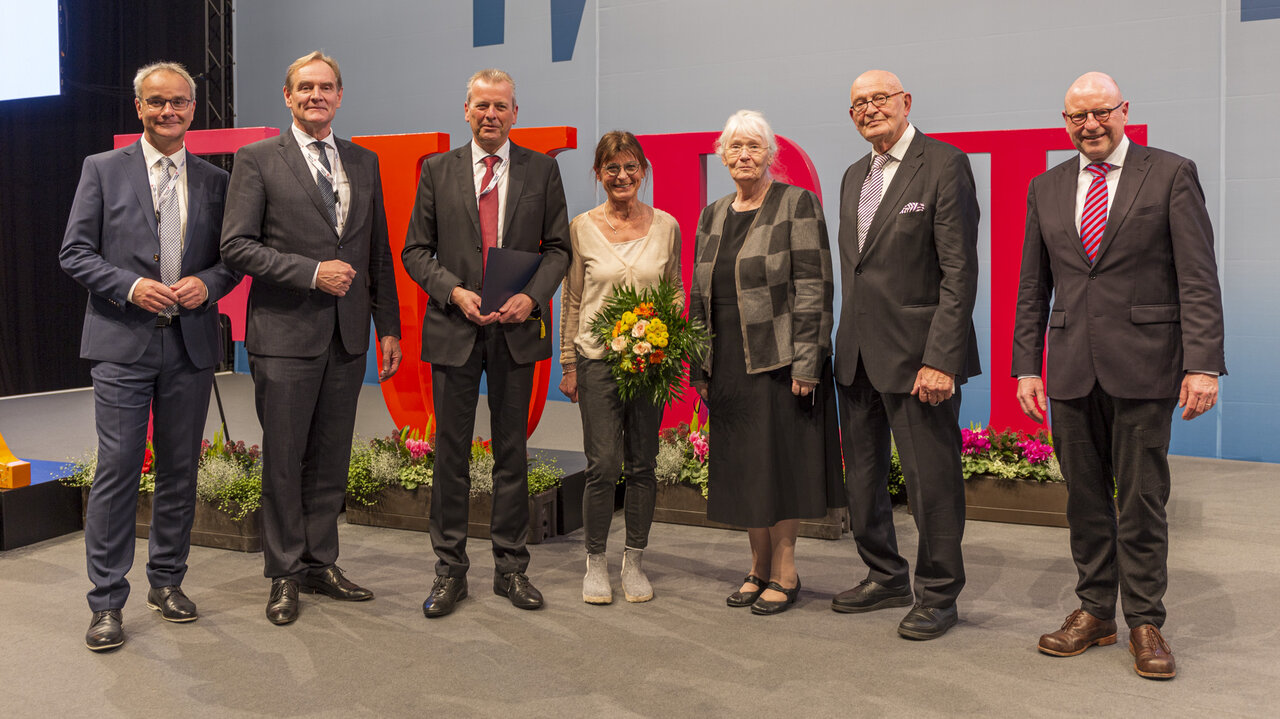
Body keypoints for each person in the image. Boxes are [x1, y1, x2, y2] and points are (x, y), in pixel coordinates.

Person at [1013, 72, 1226, 679]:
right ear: (1065, 122)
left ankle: (1145, 620)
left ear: (1123, 110)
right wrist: (1027, 366)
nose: (1090, 126)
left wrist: (1203, 363)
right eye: (1077, 117)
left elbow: (1198, 277)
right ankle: (1094, 611)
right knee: (1083, 499)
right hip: (1071, 368)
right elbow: (1034, 287)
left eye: (1100, 113)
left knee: (1141, 499)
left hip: (1147, 366)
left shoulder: (1170, 173)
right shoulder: (1045, 187)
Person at [60, 61, 240, 651]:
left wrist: (208, 285)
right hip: (121, 342)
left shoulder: (216, 180)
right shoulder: (102, 170)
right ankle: (106, 602)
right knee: (117, 470)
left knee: (180, 470)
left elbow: (232, 259)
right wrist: (131, 286)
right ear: (139, 107)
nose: (169, 111)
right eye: (157, 102)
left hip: (188, 344)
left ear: (193, 108)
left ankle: (166, 582)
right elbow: (75, 253)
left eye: (180, 102)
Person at [220, 51, 401, 626]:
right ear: (287, 96)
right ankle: (283, 574)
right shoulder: (257, 160)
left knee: (330, 458)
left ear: (340, 96)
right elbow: (237, 246)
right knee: (283, 458)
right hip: (283, 334)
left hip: (347, 337)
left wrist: (388, 325)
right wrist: (310, 271)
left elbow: (377, 252)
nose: (315, 95)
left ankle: (322, 563)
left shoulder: (363, 161)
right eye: (305, 88)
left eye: (326, 87)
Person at [402, 69, 571, 618]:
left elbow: (559, 250)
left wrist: (533, 298)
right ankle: (449, 570)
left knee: (511, 454)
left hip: (516, 331)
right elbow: (416, 251)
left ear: (515, 113)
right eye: (481, 106)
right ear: (466, 111)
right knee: (450, 455)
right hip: (454, 330)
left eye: (501, 106)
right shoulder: (436, 170)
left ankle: (510, 568)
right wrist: (451, 291)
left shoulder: (542, 170)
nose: (491, 114)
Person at [832, 70, 980, 640]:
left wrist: (941, 358)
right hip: (858, 358)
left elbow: (958, 270)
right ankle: (886, 574)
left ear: (905, 102)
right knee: (863, 481)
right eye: (858, 104)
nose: (870, 109)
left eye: (879, 99)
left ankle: (939, 595)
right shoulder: (852, 176)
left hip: (922, 359)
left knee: (930, 483)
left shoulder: (944, 163)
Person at [688, 110, 843, 616]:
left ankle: (785, 570)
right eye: (734, 147)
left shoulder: (796, 204)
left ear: (771, 155)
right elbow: (698, 296)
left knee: (781, 466)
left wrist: (807, 362)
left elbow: (815, 288)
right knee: (745, 469)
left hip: (778, 359)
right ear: (722, 155)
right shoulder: (712, 214)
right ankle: (756, 568)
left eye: (754, 146)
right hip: (727, 359)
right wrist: (700, 366)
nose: (744, 156)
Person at [559, 131, 681, 604]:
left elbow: (673, 291)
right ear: (599, 174)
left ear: (643, 172)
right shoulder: (581, 227)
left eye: (631, 167)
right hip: (597, 362)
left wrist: (668, 352)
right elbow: (572, 297)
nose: (622, 176)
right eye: (612, 168)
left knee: (643, 464)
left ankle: (634, 560)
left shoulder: (666, 225)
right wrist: (568, 362)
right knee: (603, 465)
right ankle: (595, 562)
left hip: (649, 364)